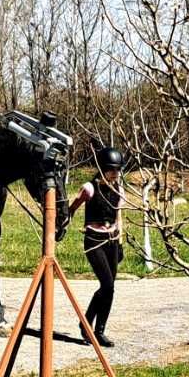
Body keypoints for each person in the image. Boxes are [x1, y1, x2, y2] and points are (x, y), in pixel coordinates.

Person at [58, 147, 125, 346]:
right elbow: (72, 208)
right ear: (103, 168)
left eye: (118, 170)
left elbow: (119, 217)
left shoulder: (118, 189)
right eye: (113, 170)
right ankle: (86, 324)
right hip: (94, 241)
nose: (116, 174)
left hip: (112, 240)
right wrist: (61, 225)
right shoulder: (90, 188)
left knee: (109, 289)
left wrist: (120, 243)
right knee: (107, 284)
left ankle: (99, 330)